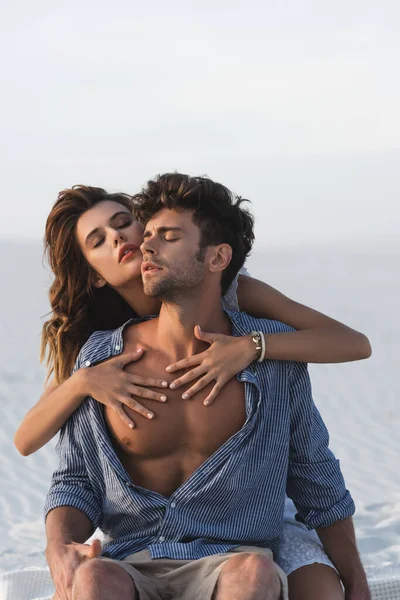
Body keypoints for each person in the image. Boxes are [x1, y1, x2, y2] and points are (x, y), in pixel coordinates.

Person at [41, 173, 370, 600]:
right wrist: (59, 547)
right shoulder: (101, 357)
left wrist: (357, 582)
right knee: (92, 579)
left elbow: (316, 479)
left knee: (259, 573)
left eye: (168, 236)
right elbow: (74, 479)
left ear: (217, 258)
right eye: (149, 234)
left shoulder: (271, 357)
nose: (145, 245)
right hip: (133, 557)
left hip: (235, 555)